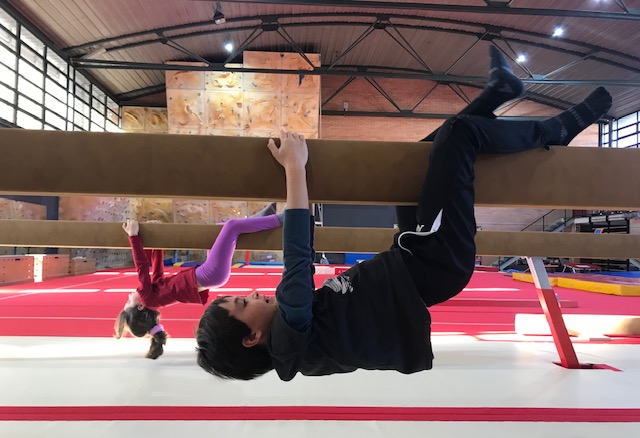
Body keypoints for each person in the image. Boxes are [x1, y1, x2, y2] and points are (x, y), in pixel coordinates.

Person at [195, 46, 612, 380]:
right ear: (252, 337)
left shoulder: (296, 344)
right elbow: (298, 258)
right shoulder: (290, 334)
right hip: (435, 261)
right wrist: (294, 168)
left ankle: (498, 93)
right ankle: (556, 130)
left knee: (412, 165)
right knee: (459, 135)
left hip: (416, 258)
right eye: (242, 303)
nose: (252, 293)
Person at [115, 204, 284, 359]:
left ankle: (266, 215)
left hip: (211, 275)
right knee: (231, 227)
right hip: (211, 273)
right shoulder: (146, 298)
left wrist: (156, 235)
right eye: (128, 301)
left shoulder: (153, 297)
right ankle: (281, 219)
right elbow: (142, 267)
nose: (129, 296)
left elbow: (156, 269)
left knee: (217, 230)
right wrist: (133, 237)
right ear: (140, 306)